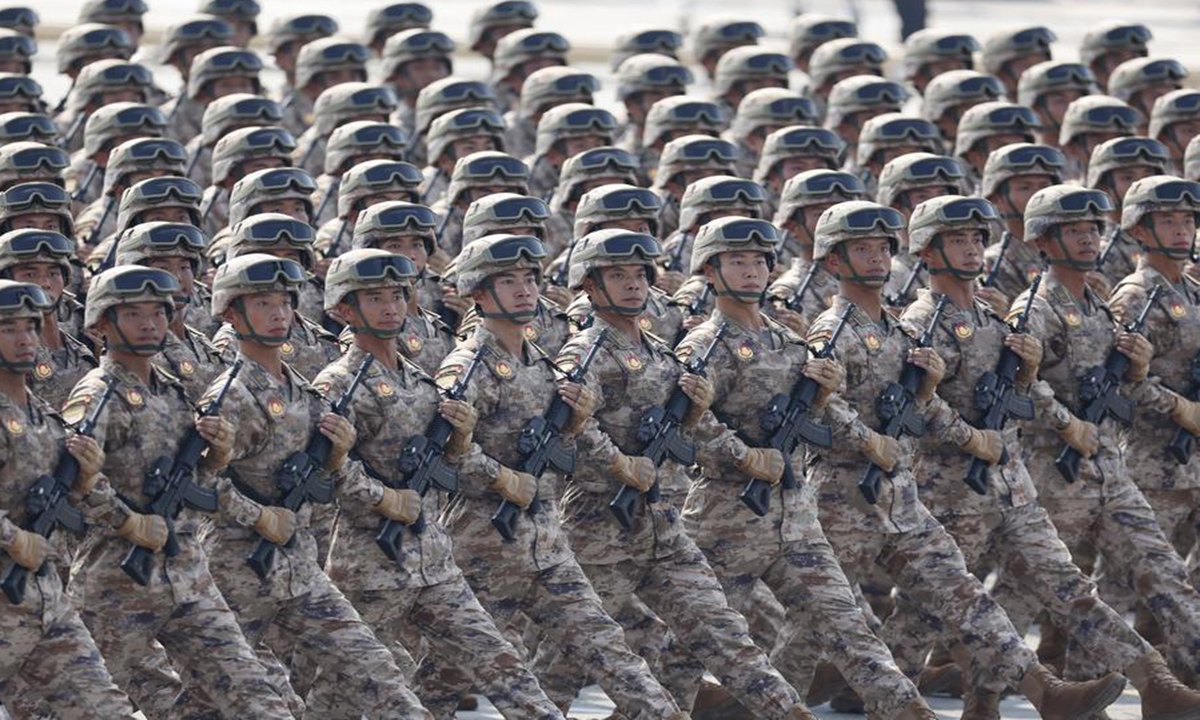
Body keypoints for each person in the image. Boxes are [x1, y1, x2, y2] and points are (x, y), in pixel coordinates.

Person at [804, 199, 1127, 719]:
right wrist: (870, 439)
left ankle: (1044, 690)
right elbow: (821, 405)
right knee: (815, 627)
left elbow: (922, 403)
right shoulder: (832, 329)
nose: (876, 260)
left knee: (963, 594)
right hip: (845, 496)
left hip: (900, 493)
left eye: (882, 249)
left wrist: (937, 395)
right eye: (860, 250)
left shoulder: (896, 328)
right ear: (833, 262)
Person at [431, 233, 691, 719]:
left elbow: (563, 455)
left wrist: (574, 426)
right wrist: (501, 478)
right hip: (485, 542)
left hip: (547, 542)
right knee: (446, 677)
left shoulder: (544, 365)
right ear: (478, 295)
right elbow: (445, 455)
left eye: (530, 279)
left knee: (612, 652)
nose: (526, 290)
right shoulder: (465, 368)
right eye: (508, 282)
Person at [304, 248, 566, 718]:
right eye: (375, 298)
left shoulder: (421, 382)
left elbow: (452, 464)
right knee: (342, 693)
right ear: (344, 310)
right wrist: (385, 498)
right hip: (370, 566)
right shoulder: (335, 384)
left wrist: (463, 438)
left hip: (436, 561)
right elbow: (327, 472)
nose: (391, 307)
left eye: (397, 296)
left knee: (506, 669)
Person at [199, 253, 434, 718]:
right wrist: (260, 516)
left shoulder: (304, 394)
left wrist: (338, 456)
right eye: (263, 304)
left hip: (301, 566)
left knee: (377, 670)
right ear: (231, 314)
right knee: (241, 698)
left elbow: (327, 482)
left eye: (285, 304)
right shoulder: (228, 396)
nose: (279, 315)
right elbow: (204, 486)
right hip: (236, 570)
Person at [62, 265, 295, 718]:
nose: (150, 324)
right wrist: (127, 520)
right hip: (116, 582)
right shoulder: (96, 395)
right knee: (85, 704)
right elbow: (74, 484)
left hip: (188, 574)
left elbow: (196, 487)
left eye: (157, 313)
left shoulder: (172, 391)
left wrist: (216, 458)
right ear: (102, 324)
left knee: (255, 696)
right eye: (133, 314)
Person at [0, 279, 139, 719]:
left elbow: (76, 504)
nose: (26, 339)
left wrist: (81, 485)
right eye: (8, 328)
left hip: (44, 599)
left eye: (30, 327)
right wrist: (12, 539)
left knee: (108, 709)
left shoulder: (43, 416)